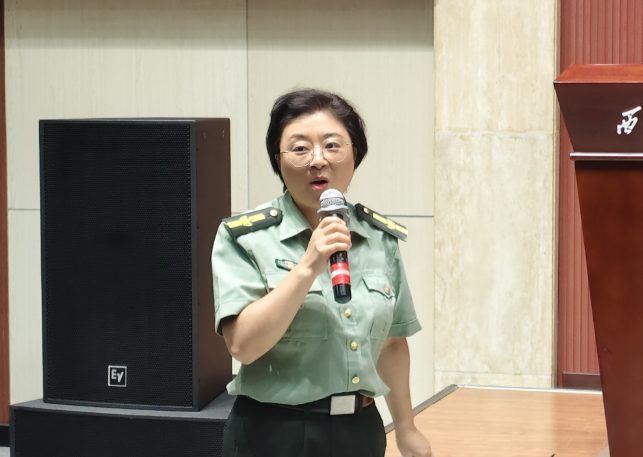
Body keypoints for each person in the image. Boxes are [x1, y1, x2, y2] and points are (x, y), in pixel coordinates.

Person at [212, 89, 434, 457]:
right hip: (272, 434)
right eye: (300, 148)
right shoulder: (245, 238)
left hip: (359, 432)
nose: (318, 160)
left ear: (354, 153)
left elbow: (392, 343)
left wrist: (406, 428)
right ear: (278, 159)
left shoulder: (379, 238)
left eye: (332, 145)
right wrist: (308, 266)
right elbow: (243, 347)